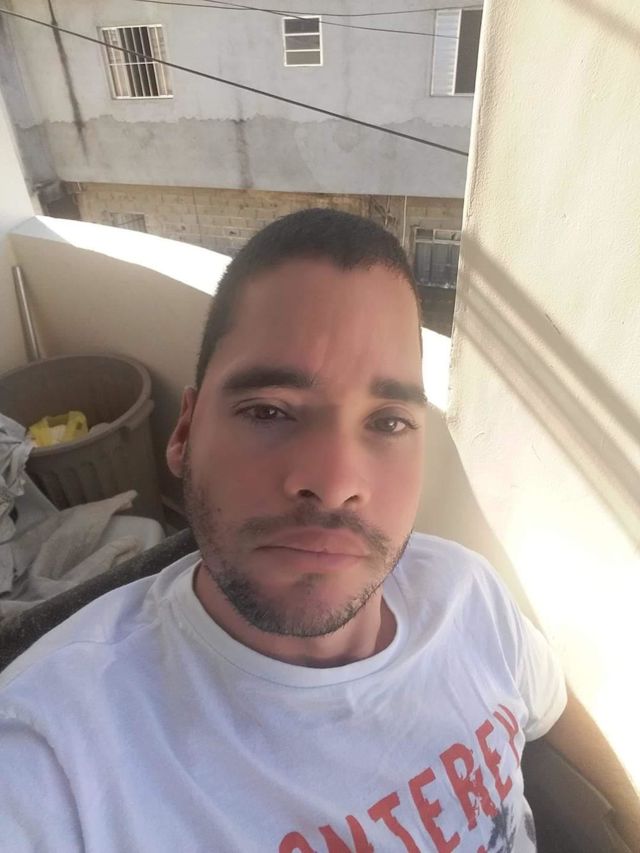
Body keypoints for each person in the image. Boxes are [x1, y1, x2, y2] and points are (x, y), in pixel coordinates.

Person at [1, 209, 638, 852]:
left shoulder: (470, 594)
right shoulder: (52, 755)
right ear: (185, 432)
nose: (334, 483)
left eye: (388, 422)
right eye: (269, 411)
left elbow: (553, 713)